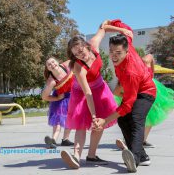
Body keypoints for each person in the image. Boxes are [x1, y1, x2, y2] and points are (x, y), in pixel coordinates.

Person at [94, 19, 156, 173]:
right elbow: (125, 28)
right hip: (134, 89)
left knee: (135, 119)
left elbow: (127, 105)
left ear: (127, 51)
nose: (114, 56)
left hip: (146, 92)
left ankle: (134, 158)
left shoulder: (130, 72)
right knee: (122, 119)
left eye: (118, 53)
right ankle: (142, 156)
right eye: (111, 52)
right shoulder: (126, 40)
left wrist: (105, 120)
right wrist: (110, 23)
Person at [60, 24, 118, 169]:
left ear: (86, 45)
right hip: (82, 94)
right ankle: (76, 157)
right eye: (76, 54)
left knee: (100, 124)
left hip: (100, 88)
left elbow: (103, 28)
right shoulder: (79, 68)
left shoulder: (94, 45)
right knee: (81, 125)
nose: (80, 55)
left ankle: (91, 156)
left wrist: (118, 28)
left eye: (81, 50)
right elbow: (87, 93)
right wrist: (93, 116)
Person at [113, 54, 174, 149]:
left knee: (149, 117)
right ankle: (134, 140)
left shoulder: (145, 59)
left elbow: (151, 63)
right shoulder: (139, 63)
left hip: (149, 88)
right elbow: (117, 91)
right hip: (143, 88)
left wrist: (151, 75)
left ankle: (140, 140)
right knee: (141, 117)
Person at [42, 57, 74, 148]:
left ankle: (65, 139)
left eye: (53, 62)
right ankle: (53, 140)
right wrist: (57, 98)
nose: (52, 64)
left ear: (57, 61)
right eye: (49, 64)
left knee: (70, 118)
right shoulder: (51, 81)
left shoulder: (67, 64)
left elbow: (78, 60)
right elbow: (44, 96)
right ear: (48, 68)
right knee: (58, 121)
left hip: (72, 97)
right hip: (60, 100)